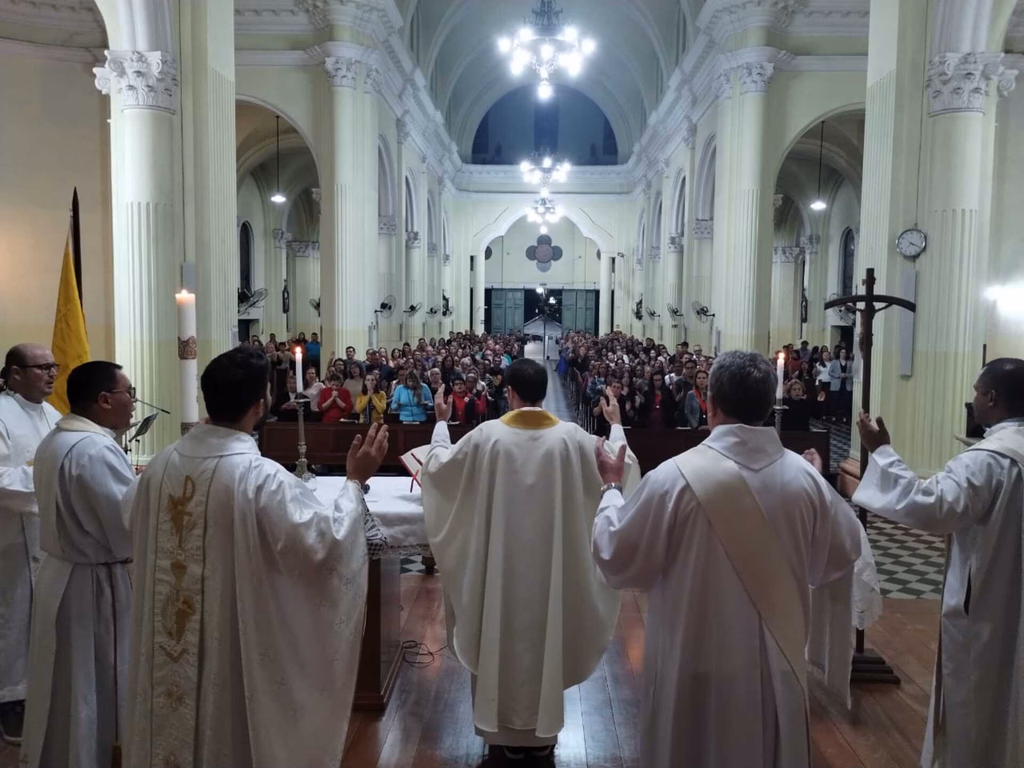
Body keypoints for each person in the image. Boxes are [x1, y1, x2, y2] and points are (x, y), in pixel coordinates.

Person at [591, 350, 863, 768]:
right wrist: (813, 478)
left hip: (691, 666)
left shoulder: (672, 478)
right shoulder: (805, 478)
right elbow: (839, 555)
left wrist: (612, 488)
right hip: (776, 669)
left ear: (711, 403)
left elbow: (616, 556)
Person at [122, 347, 389, 767]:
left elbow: (130, 523)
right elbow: (323, 543)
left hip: (165, 643)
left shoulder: (158, 466)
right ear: (260, 405)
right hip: (229, 643)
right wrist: (355, 481)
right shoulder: (258, 478)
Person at [421, 359, 637, 760]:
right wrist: (616, 423)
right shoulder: (573, 438)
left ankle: (501, 737)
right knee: (545, 638)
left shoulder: (486, 437)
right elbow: (622, 467)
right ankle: (541, 739)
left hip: (496, 574)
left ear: (510, 392)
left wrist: (440, 423)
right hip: (552, 577)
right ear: (542, 391)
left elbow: (437, 470)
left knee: (496, 635)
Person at [853, 358, 1024, 768]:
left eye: (977, 392)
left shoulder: (989, 461)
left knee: (979, 701)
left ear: (993, 398)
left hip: (988, 607)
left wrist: (882, 452)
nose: (973, 400)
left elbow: (930, 508)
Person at [21, 362, 137, 768]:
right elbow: (126, 528)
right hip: (95, 583)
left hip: (62, 576)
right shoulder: (96, 450)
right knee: (96, 682)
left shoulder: (56, 439)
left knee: (65, 680)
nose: (134, 404)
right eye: (130, 394)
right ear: (105, 400)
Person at [0, 344, 60, 743]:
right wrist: (47, 483)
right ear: (15, 373)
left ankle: (38, 689)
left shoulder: (53, 414)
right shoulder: (2, 414)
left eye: (53, 366)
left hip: (48, 535)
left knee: (41, 615)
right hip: (9, 535)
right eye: (43, 368)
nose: (52, 374)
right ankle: (11, 700)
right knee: (13, 615)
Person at [828, 347, 854, 423]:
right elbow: (830, 372)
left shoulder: (850, 362)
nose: (843, 354)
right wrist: (838, 375)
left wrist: (846, 375)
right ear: (839, 353)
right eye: (842, 352)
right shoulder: (834, 362)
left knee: (846, 401)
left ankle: (846, 417)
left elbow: (853, 373)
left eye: (844, 353)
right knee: (835, 401)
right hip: (836, 384)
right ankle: (834, 416)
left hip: (846, 384)